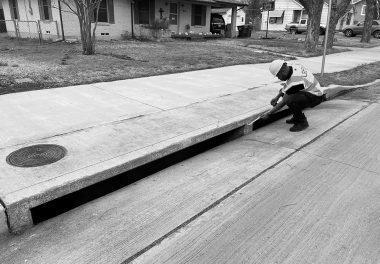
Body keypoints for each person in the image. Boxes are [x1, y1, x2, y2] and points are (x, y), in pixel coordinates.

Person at [262, 59, 326, 132]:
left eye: (278, 76)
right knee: (287, 94)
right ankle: (296, 117)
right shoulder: (294, 65)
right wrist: (277, 97)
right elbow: (286, 87)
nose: (279, 78)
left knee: (291, 100)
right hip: (313, 90)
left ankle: (302, 122)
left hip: (316, 97)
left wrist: (269, 113)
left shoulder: (295, 82)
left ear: (283, 70)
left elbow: (284, 100)